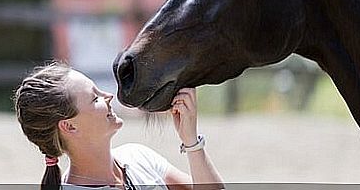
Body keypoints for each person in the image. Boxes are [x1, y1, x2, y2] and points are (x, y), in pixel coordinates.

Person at [14, 61, 224, 190]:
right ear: (69, 127)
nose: (108, 96)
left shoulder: (137, 157)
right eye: (94, 98)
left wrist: (190, 141)